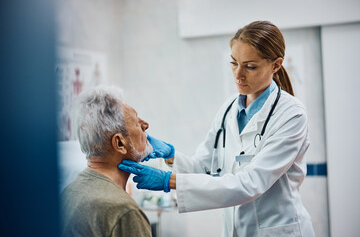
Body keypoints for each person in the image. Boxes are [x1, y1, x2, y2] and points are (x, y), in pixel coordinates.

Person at [119, 21, 315, 236]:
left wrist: (169, 181)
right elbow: (205, 167)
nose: (238, 74)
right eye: (233, 63)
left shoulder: (291, 115)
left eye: (250, 66)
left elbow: (251, 183)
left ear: (276, 65)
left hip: (278, 230)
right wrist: (172, 157)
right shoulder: (229, 109)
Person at [61, 85, 152, 237]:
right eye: (137, 123)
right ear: (120, 143)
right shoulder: (124, 212)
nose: (146, 125)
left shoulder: (70, 192)